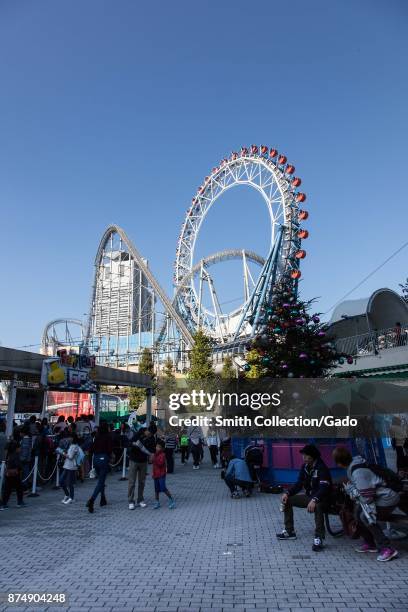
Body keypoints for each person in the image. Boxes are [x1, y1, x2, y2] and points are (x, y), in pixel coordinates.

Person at [333, 446, 400, 562]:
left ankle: (387, 548)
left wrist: (351, 491)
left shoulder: (358, 472)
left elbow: (367, 497)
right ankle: (370, 543)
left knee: (366, 517)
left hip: (387, 498)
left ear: (339, 463)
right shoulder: (354, 465)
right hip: (380, 496)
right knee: (357, 512)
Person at [276, 444, 332, 552]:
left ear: (313, 456)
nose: (304, 458)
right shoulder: (305, 467)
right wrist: (287, 493)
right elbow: (299, 484)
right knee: (288, 500)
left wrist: (315, 500)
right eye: (303, 455)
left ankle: (319, 538)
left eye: (306, 456)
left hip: (323, 498)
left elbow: (324, 488)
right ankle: (289, 531)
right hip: (310, 497)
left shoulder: (321, 468)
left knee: (318, 506)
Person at [86, 420, 113, 513]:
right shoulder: (108, 437)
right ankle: (92, 500)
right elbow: (110, 449)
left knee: (101, 481)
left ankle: (103, 498)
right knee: (101, 482)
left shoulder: (97, 437)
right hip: (104, 458)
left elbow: (91, 450)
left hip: (96, 459)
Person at [128, 426, 153, 509]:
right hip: (134, 460)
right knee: (132, 482)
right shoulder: (137, 434)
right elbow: (129, 443)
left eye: (151, 434)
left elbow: (151, 449)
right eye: (149, 432)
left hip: (143, 461)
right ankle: (131, 501)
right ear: (146, 430)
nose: (150, 435)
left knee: (142, 482)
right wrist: (134, 444)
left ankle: (140, 499)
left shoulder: (151, 438)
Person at [0, 441, 25, 509]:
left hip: (9, 474)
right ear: (16, 448)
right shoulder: (15, 455)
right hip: (15, 473)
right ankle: (19, 502)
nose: (20, 449)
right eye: (19, 448)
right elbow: (17, 464)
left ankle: (4, 503)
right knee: (18, 488)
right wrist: (20, 468)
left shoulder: (9, 454)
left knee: (8, 489)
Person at [152, 439, 175, 509]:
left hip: (161, 474)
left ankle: (171, 500)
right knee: (156, 489)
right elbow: (153, 463)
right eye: (156, 446)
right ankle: (157, 502)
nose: (157, 448)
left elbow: (160, 463)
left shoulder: (163, 455)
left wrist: (154, 459)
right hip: (156, 474)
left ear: (162, 448)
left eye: (159, 447)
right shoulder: (155, 454)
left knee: (163, 488)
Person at [58, 432, 80, 505]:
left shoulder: (75, 446)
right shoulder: (71, 445)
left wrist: (62, 453)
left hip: (71, 467)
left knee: (70, 483)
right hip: (67, 466)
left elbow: (70, 457)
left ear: (73, 438)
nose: (68, 439)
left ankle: (71, 498)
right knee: (61, 481)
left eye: (70, 437)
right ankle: (67, 495)